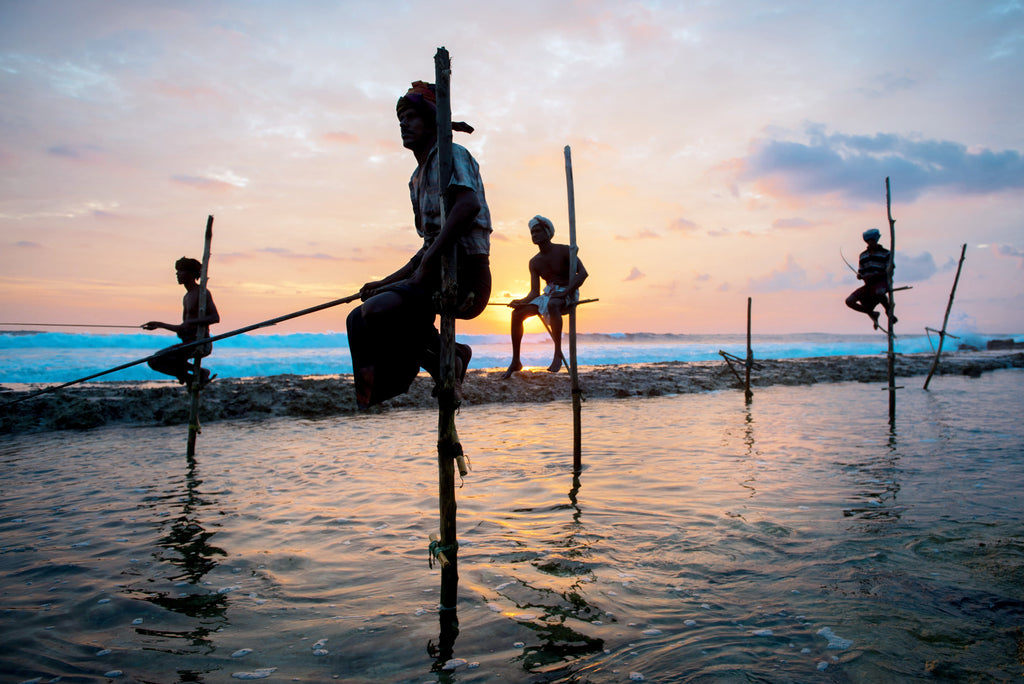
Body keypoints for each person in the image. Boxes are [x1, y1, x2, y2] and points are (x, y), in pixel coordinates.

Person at [346, 81, 492, 409]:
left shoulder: (452, 154)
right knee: (357, 317)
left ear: (431, 121)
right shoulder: (416, 177)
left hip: (464, 272)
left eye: (411, 116)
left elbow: (466, 208)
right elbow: (427, 247)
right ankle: (440, 359)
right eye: (401, 118)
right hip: (434, 271)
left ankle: (450, 359)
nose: (403, 124)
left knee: (379, 310)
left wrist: (427, 265)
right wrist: (386, 281)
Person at [502, 215, 588, 378]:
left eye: (538, 231)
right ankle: (516, 360)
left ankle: (557, 354)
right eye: (532, 232)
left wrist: (565, 292)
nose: (534, 235)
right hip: (549, 295)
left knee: (553, 304)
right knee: (517, 313)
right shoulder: (534, 262)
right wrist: (520, 301)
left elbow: (582, 274)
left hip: (568, 292)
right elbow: (534, 292)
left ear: (548, 232)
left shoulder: (564, 250)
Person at [142, 256, 220, 387]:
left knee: (156, 359)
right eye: (177, 271)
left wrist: (193, 322)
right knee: (155, 361)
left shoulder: (202, 292)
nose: (177, 274)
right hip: (188, 342)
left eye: (180, 271)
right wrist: (159, 324)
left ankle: (196, 375)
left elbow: (215, 318)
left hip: (200, 342)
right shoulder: (187, 297)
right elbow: (183, 327)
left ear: (190, 274)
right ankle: (196, 375)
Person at [845, 228, 894, 330]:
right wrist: (860, 276)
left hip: (882, 282)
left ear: (876, 240)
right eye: (868, 241)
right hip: (868, 285)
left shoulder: (886, 253)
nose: (870, 243)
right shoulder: (863, 256)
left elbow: (889, 271)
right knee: (849, 301)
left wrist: (874, 276)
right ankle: (872, 313)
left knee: (880, 292)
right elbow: (861, 271)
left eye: (872, 240)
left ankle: (888, 312)